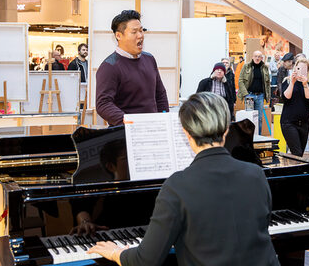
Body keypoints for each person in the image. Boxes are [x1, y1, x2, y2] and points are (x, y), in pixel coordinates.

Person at [87, 92, 279, 266]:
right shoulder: (256, 174)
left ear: (186, 132)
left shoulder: (177, 186)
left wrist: (116, 252)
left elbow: (145, 261)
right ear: (226, 130)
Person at [96, 10, 169, 126]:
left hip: (153, 130)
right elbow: (103, 104)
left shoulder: (149, 59)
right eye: (134, 32)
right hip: (126, 134)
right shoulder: (109, 66)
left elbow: (160, 94)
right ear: (118, 36)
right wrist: (128, 122)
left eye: (141, 30)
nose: (140, 35)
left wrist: (164, 117)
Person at [280, 58, 309, 156]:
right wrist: (292, 82)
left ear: (308, 71)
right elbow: (285, 98)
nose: (301, 71)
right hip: (288, 122)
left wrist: (305, 84)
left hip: (304, 124)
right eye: (299, 68)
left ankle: (295, 170)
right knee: (297, 152)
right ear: (295, 68)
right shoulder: (286, 81)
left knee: (300, 154)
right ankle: (295, 170)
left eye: (304, 69)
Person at [237, 50, 271, 134]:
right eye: (255, 56)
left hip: (260, 96)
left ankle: (257, 136)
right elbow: (240, 80)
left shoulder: (265, 67)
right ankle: (248, 138)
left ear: (262, 58)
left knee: (259, 118)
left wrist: (268, 96)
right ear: (252, 57)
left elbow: (267, 83)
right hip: (249, 95)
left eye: (259, 56)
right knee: (249, 118)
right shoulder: (246, 66)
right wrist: (246, 94)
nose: (257, 58)